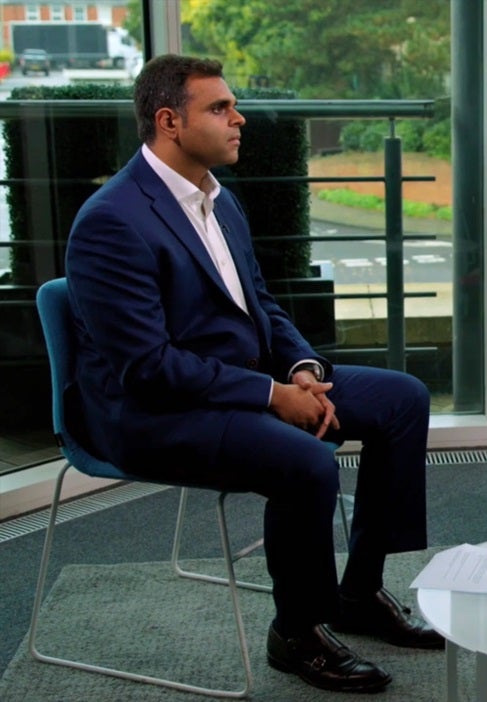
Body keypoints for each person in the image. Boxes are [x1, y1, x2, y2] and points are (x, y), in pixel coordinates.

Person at [64, 55, 441, 694]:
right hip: (151, 413)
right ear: (168, 122)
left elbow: (259, 303)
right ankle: (295, 633)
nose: (239, 119)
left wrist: (299, 369)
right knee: (305, 461)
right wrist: (272, 397)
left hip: (243, 383)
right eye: (219, 109)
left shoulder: (219, 199)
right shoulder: (111, 221)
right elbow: (146, 368)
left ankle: (359, 591)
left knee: (403, 399)